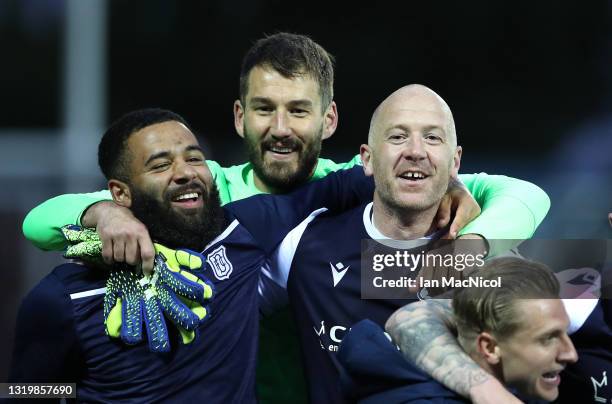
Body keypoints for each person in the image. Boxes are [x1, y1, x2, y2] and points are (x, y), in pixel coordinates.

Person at [20, 33, 550, 403]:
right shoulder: (209, 203)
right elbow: (40, 227)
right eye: (263, 108)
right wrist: (104, 215)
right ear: (239, 116)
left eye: (298, 110)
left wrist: (459, 208)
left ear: (329, 119)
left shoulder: (311, 197)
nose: (280, 128)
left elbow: (514, 191)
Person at [9, 108, 375, 402]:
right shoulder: (64, 298)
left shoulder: (244, 229)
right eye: (160, 164)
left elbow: (348, 183)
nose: (185, 173)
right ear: (119, 194)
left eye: (194, 158)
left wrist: (433, 189)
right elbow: (24, 392)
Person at [262, 84, 551, 402]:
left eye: (432, 137)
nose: (415, 151)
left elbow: (585, 321)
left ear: (455, 163)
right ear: (367, 160)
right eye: (397, 136)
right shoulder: (303, 245)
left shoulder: (496, 258)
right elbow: (223, 312)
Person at [342, 257, 578, 403]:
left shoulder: (517, 380)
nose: (571, 354)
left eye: (564, 333)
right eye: (548, 339)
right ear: (490, 347)